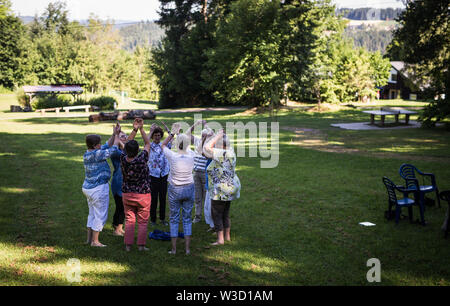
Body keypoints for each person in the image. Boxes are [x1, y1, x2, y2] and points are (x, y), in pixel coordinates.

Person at [82, 124, 120, 247]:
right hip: (98, 188)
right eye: (99, 143)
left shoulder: (88, 153)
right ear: (94, 145)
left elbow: (106, 145)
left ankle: (88, 239)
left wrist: (114, 134)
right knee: (100, 214)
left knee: (92, 213)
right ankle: (95, 241)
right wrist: (118, 137)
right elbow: (113, 149)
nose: (101, 144)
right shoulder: (97, 155)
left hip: (88, 188)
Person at [161, 123, 195, 255]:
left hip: (175, 189)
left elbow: (163, 145)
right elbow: (186, 142)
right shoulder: (191, 155)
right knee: (187, 218)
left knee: (174, 218)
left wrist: (172, 133)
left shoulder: (172, 156)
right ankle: (187, 249)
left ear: (176, 144)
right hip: (189, 188)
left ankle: (174, 249)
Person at [203, 129, 241, 246]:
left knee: (217, 214)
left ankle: (220, 240)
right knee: (225, 213)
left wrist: (216, 137)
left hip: (220, 190)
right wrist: (219, 136)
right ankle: (227, 237)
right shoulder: (231, 152)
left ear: (221, 145)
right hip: (230, 188)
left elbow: (206, 147)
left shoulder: (221, 154)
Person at [120, 118, 152, 252]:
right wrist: (142, 129)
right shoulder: (142, 158)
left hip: (127, 193)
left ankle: (128, 246)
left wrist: (134, 129)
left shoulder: (123, 158)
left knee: (129, 219)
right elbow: (148, 144)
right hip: (143, 194)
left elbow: (127, 143)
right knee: (143, 221)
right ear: (138, 150)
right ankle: (141, 246)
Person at [186, 120, 212, 224]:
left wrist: (206, 125)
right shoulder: (197, 141)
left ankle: (207, 217)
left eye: (205, 136)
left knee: (206, 197)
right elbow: (187, 134)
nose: (203, 138)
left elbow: (213, 134)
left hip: (205, 173)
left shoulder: (210, 145)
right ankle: (197, 216)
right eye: (202, 136)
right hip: (196, 173)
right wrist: (196, 124)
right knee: (197, 196)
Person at [148, 122, 172, 227]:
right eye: (155, 135)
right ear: (153, 136)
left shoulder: (164, 145)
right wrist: (150, 131)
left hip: (163, 175)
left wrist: (167, 129)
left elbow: (172, 138)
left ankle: (162, 219)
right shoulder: (149, 146)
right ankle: (153, 219)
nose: (157, 137)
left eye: (159, 135)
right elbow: (146, 141)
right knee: (153, 198)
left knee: (162, 198)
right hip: (153, 175)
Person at [109, 130, 130, 236]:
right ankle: (117, 229)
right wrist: (117, 138)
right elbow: (126, 154)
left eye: (125, 136)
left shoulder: (125, 150)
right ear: (117, 139)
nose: (125, 137)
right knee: (121, 206)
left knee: (122, 206)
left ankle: (118, 226)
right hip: (119, 182)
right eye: (122, 136)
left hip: (124, 182)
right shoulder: (116, 152)